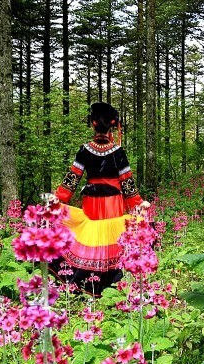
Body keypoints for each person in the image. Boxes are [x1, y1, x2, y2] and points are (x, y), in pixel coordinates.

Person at [49, 102, 150, 295]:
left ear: (93, 123)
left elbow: (71, 180)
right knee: (111, 241)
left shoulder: (84, 150)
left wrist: (58, 199)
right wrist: (138, 204)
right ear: (112, 125)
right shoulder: (118, 152)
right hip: (113, 203)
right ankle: (111, 285)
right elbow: (127, 183)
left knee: (92, 239)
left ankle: (87, 282)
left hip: (91, 203)